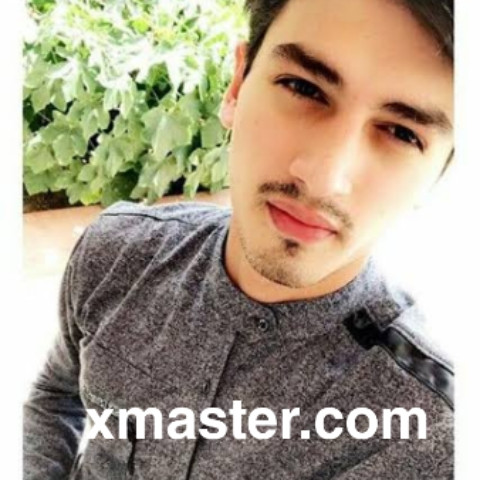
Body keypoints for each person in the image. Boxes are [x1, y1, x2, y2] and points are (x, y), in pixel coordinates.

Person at [24, 0, 454, 478]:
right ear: (236, 86)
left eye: (401, 133)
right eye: (304, 87)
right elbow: (54, 396)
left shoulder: (430, 434)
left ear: (439, 174)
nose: (323, 179)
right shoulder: (117, 255)